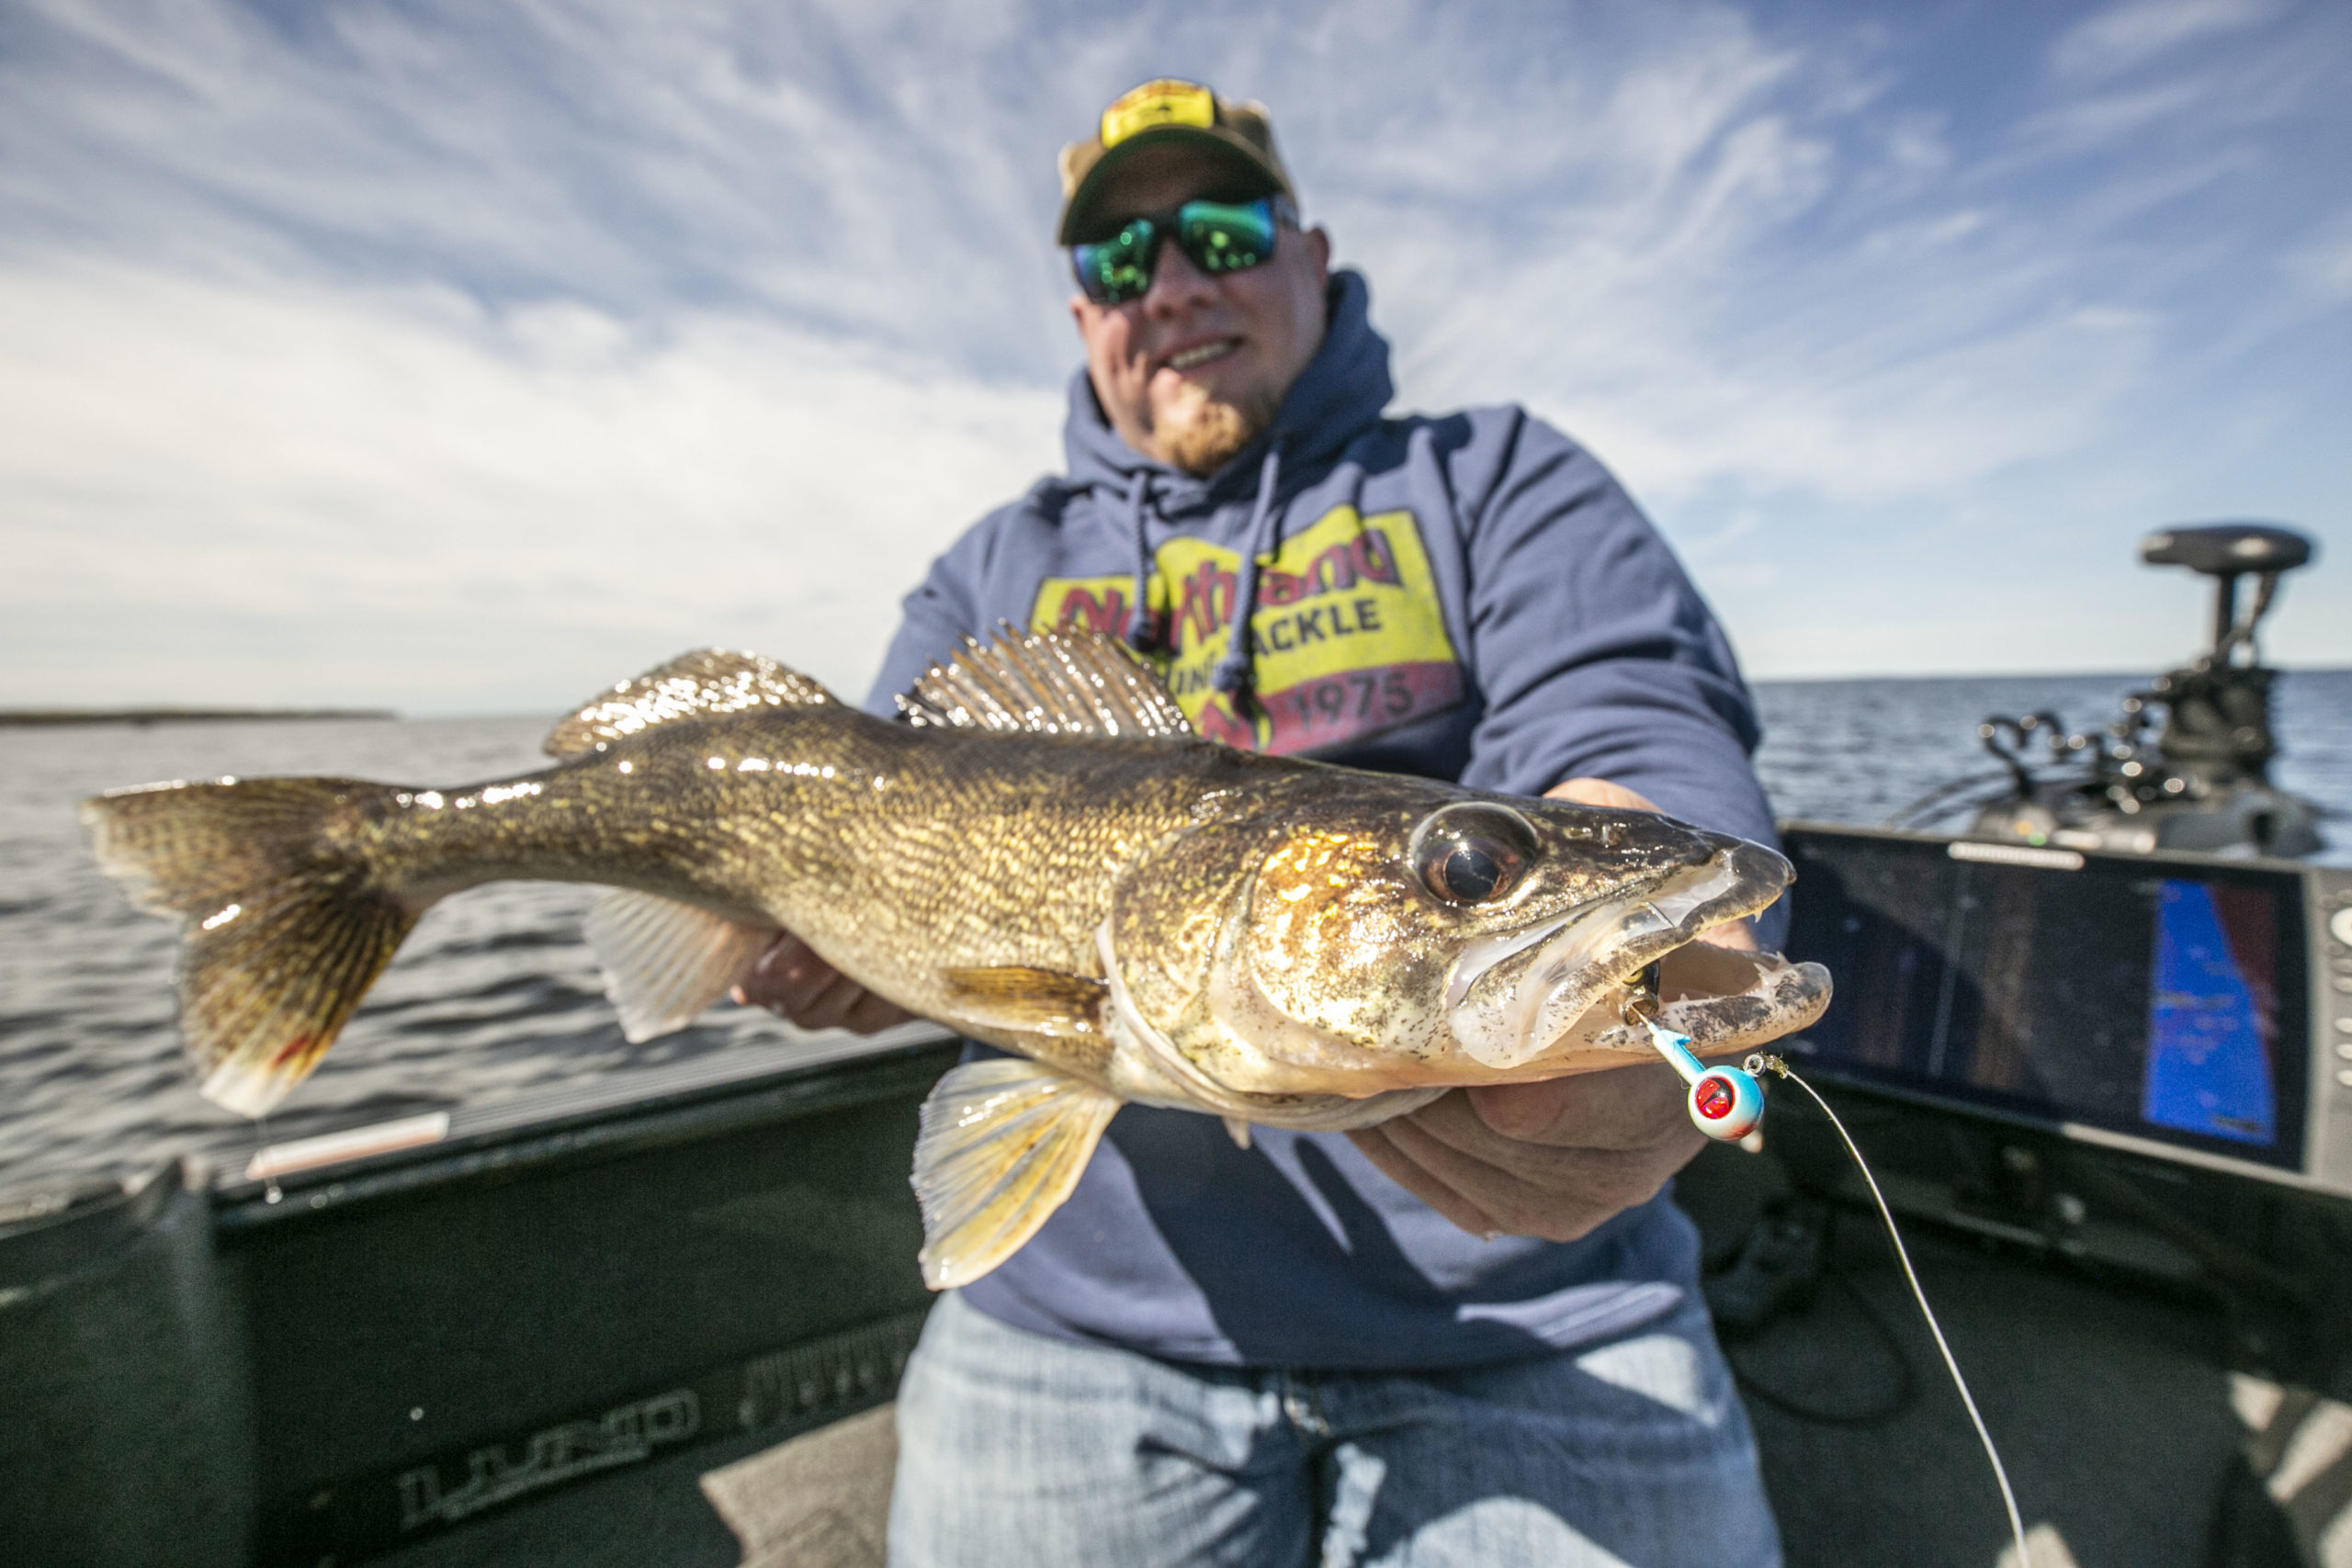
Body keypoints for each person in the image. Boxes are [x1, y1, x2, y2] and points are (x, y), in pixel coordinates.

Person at [735, 79, 1785, 1568]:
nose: (1170, 287)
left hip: (1533, 1320)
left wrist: (1688, 974)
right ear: (1089, 315)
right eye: (1117, 263)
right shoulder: (990, 570)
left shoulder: (1495, 479)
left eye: (1218, 232)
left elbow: (1636, 726)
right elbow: (853, 827)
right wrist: (818, 953)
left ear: (1310, 252)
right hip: (1075, 1320)